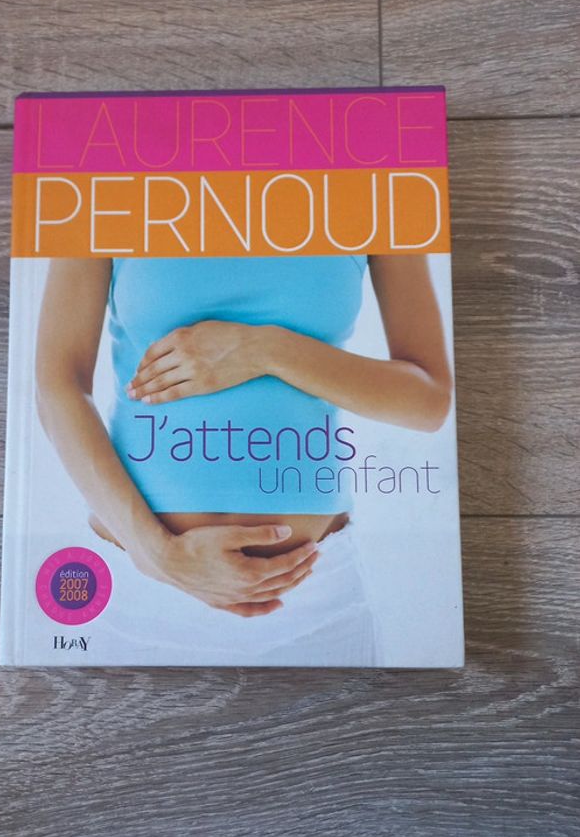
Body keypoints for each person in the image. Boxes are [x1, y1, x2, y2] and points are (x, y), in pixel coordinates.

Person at [35, 253, 452, 664]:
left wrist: (263, 349)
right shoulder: (102, 204)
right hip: (139, 588)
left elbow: (428, 399)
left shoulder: (374, 206)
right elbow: (58, 385)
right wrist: (157, 555)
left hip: (314, 601)